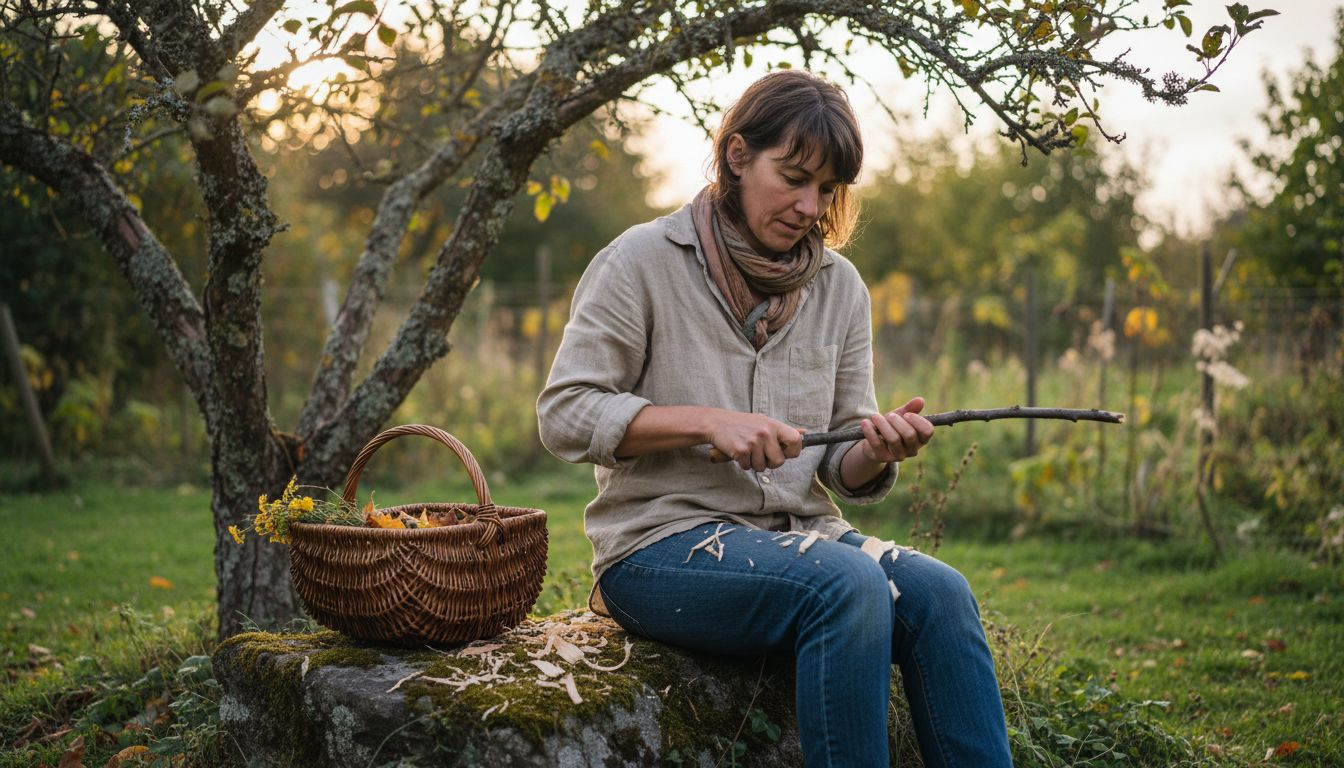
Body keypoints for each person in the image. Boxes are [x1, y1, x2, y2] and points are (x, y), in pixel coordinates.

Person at [537, 70, 1012, 768]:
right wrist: (706, 423)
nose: (809, 206)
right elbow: (565, 414)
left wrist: (878, 448)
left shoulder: (839, 287)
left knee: (941, 594)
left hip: (803, 536)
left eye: (826, 190)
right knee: (844, 587)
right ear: (737, 157)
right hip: (659, 550)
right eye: (792, 178)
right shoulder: (639, 262)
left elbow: (840, 464)